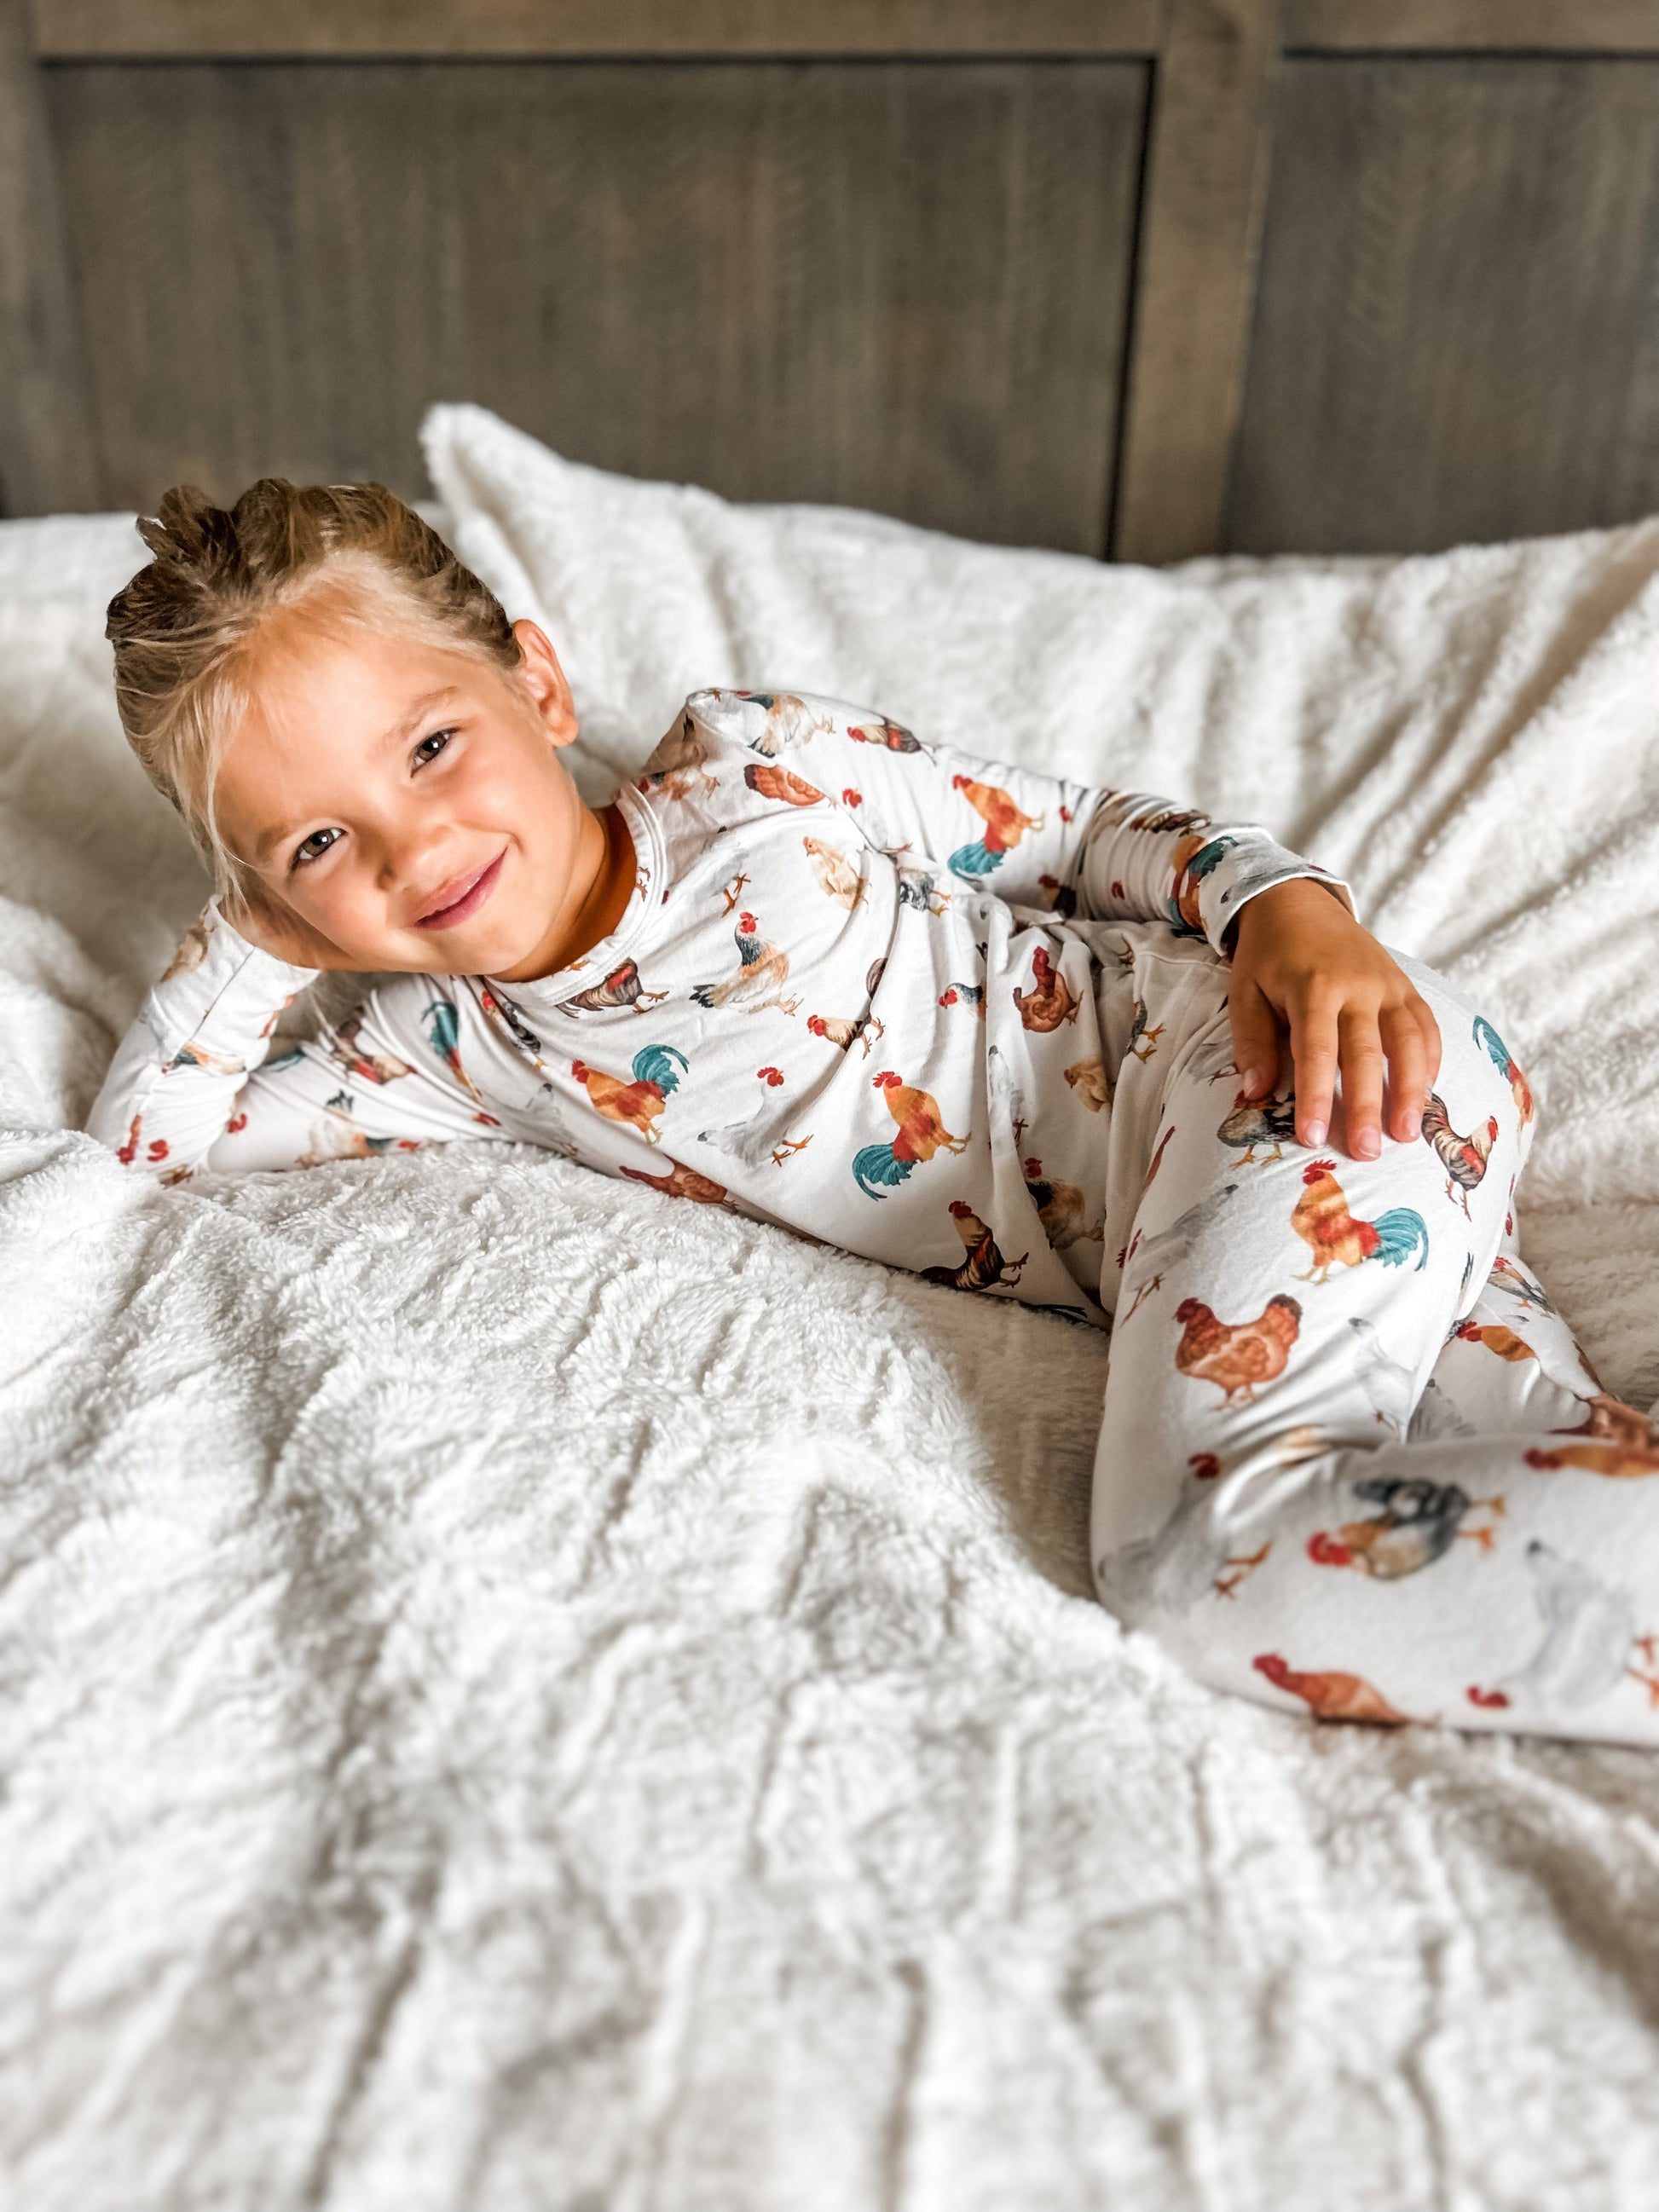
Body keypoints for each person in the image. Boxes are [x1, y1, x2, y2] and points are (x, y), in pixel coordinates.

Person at [90, 479, 1659, 1746]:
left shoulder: (757, 776)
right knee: (1536, 1484)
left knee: (1202, 1564)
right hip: (1310, 1215)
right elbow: (148, 1151)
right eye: (316, 843)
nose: (411, 846)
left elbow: (1086, 836)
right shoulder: (441, 1046)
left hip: (1277, 1063)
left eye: (431, 745)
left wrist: (1284, 907)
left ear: (538, 680)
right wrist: (251, 937)